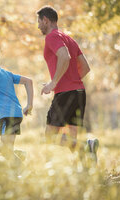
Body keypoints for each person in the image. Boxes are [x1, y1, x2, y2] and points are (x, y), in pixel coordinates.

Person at [36, 6, 99, 162]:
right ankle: (86, 166)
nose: (38, 26)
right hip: (79, 92)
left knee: (50, 137)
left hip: (65, 93)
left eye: (39, 22)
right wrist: (69, 80)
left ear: (46, 20)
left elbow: (65, 57)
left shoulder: (52, 37)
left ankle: (87, 146)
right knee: (72, 138)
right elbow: (85, 67)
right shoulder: (68, 38)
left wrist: (54, 82)